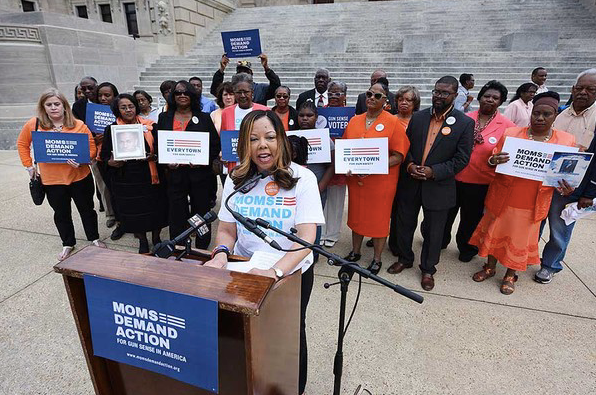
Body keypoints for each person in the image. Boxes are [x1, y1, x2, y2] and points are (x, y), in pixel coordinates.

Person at [203, 110, 324, 395]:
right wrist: (221, 254)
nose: (262, 145)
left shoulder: (302, 178)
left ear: (280, 140)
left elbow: (307, 237)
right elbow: (227, 230)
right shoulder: (236, 179)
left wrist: (275, 272)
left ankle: (293, 388)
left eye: (269, 137)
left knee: (289, 333)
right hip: (244, 269)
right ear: (244, 144)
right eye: (253, 139)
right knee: (245, 331)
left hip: (289, 273)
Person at [469, 91, 576, 294]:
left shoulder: (565, 141)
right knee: (495, 232)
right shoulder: (511, 134)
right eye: (536, 113)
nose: (540, 118)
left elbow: (566, 175)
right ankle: (490, 267)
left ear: (555, 116)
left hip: (533, 200)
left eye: (546, 114)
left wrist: (567, 185)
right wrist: (494, 160)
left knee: (520, 238)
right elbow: (492, 159)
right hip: (504, 195)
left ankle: (510, 274)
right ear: (531, 113)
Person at [390, 76, 474, 291]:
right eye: (436, 91)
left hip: (438, 186)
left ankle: (428, 269)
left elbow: (462, 159)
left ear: (455, 96)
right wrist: (409, 166)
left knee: (434, 231)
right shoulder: (418, 118)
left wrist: (433, 171)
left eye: (444, 93)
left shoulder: (464, 123)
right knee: (404, 223)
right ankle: (405, 258)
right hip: (411, 182)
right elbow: (405, 147)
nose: (439, 96)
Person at [16, 88, 106, 261]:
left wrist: (83, 159)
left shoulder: (78, 125)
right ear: (43, 107)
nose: (53, 108)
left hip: (79, 176)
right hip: (52, 180)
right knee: (61, 213)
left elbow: (92, 148)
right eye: (48, 104)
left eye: (57, 104)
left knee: (87, 210)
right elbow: (22, 144)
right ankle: (68, 243)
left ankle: (94, 238)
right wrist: (28, 166)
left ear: (64, 106)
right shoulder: (34, 125)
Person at [442, 81, 516, 262]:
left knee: (471, 219)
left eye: (495, 98)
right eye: (487, 96)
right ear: (480, 97)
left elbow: (507, 155)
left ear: (501, 102)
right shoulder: (463, 117)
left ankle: (466, 247)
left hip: (481, 182)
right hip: (454, 177)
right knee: (445, 214)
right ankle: (440, 241)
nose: (490, 100)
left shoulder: (508, 126)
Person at [342, 82, 410, 274]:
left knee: (379, 220)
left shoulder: (393, 122)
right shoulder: (355, 120)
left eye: (377, 96)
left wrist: (374, 166)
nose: (372, 98)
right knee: (356, 215)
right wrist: (346, 165)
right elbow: (345, 150)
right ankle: (355, 252)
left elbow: (399, 155)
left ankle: (377, 258)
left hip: (381, 183)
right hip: (357, 181)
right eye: (369, 94)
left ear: (385, 101)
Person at [535, 69, 596, 283]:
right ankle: (527, 256)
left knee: (559, 229)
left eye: (590, 89)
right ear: (572, 89)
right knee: (535, 223)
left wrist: (590, 193)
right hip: (543, 181)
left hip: (571, 188)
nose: (583, 93)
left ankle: (550, 265)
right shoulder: (559, 112)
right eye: (579, 88)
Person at [156, 80, 221, 248]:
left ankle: (202, 247)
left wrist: (201, 161)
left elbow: (215, 146)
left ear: (192, 96)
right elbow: (159, 144)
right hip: (175, 175)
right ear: (173, 96)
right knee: (177, 213)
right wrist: (166, 162)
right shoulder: (164, 117)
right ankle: (178, 246)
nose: (182, 95)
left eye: (186, 92)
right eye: (178, 93)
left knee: (201, 213)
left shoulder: (204, 118)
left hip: (199, 175)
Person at [100, 94, 167, 254]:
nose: (128, 110)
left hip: (150, 175)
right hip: (125, 178)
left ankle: (156, 238)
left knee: (155, 209)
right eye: (123, 107)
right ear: (117, 110)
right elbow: (103, 155)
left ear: (136, 107)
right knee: (134, 212)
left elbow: (161, 148)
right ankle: (142, 240)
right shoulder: (111, 129)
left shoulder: (150, 126)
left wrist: (154, 156)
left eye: (131, 106)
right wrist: (110, 162)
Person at [298, 101, 334, 261]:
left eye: (309, 115)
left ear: (316, 118)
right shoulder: (291, 136)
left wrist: (321, 186)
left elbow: (333, 165)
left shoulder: (325, 139)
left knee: (314, 220)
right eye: (301, 115)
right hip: (295, 186)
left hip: (318, 186)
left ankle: (314, 252)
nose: (305, 118)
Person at [385, 85, 420, 252]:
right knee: (385, 207)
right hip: (388, 169)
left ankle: (397, 243)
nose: (404, 103)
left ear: (415, 103)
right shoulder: (389, 119)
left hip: (407, 172)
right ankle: (379, 234)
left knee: (402, 211)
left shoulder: (419, 121)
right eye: (400, 99)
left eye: (408, 100)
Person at [320, 81, 348, 248]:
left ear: (344, 96)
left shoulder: (350, 114)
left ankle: (332, 233)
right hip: (323, 161)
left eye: (338, 94)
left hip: (341, 161)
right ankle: (322, 232)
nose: (334, 97)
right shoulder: (321, 113)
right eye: (331, 94)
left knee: (336, 200)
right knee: (323, 198)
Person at [94, 82, 123, 240]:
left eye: (107, 95)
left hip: (122, 158)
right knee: (108, 190)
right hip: (102, 157)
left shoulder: (122, 112)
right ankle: (115, 218)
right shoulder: (93, 114)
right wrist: (94, 138)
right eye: (100, 95)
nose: (103, 98)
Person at [210, 54, 280, 106]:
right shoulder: (231, 88)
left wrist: (266, 67)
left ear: (251, 74)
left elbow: (276, 88)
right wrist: (221, 70)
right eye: (240, 71)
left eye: (246, 72)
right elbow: (215, 89)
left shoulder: (261, 89)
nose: (243, 74)